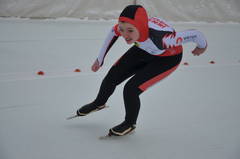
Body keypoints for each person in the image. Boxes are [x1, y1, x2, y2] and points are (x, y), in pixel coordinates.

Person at [76, 5, 207, 136]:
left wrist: (202, 46)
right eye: (122, 30)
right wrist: (100, 59)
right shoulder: (127, 28)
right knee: (112, 76)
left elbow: (196, 34)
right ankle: (98, 103)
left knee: (131, 89)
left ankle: (129, 123)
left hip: (167, 58)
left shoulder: (164, 40)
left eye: (130, 31)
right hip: (143, 49)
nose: (125, 35)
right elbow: (113, 33)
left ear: (141, 28)